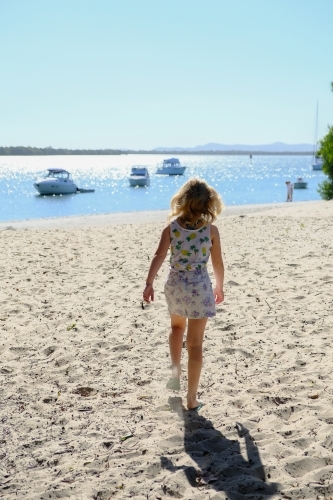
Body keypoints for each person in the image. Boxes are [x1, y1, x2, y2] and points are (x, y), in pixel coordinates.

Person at [143, 179, 225, 411]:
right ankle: (191, 398)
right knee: (196, 343)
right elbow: (218, 263)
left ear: (183, 201)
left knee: (176, 329)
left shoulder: (171, 229)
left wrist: (149, 283)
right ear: (209, 203)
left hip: (176, 286)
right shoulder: (211, 231)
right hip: (199, 289)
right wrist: (219, 286)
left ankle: (175, 373)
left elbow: (158, 257)